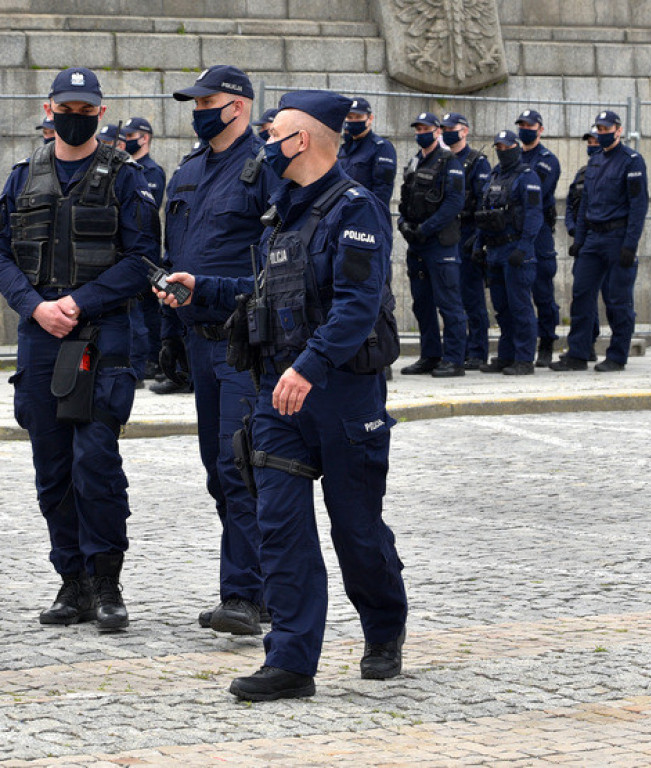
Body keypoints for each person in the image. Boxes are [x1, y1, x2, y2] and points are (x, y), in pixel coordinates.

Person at [157, 89, 407, 701]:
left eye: (276, 135)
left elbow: (356, 308)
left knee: (356, 530)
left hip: (341, 397)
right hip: (278, 397)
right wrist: (204, 288)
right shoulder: (282, 212)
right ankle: (292, 660)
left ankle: (383, 629)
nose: (267, 145)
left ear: (306, 141)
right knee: (280, 527)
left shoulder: (357, 209)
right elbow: (267, 288)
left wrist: (310, 366)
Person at [0, 67, 160, 631]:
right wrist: (36, 306)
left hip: (101, 334)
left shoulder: (126, 178)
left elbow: (144, 259)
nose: (74, 116)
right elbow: (1, 256)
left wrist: (80, 303)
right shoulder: (22, 177)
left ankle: (107, 582)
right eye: (65, 107)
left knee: (95, 461)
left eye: (85, 108)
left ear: (101, 111)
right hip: (40, 333)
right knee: (52, 466)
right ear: (49, 109)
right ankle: (72, 583)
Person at [162, 64, 279, 634]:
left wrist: (202, 290)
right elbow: (173, 255)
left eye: (205, 100)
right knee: (218, 469)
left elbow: (276, 270)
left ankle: (246, 594)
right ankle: (256, 586)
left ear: (237, 106)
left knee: (241, 467)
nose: (196, 109)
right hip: (196, 341)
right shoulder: (188, 170)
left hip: (244, 343)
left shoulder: (267, 169)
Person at [551, 109, 648, 373]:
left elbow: (638, 206)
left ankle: (617, 355)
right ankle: (578, 353)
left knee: (618, 299)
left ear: (618, 130)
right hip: (593, 238)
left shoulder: (632, 161)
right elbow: (584, 206)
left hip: (617, 238)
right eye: (599, 130)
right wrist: (580, 240)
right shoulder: (594, 163)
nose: (602, 134)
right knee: (581, 295)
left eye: (607, 130)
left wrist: (630, 244)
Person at [397, 111, 467, 377]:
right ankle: (430, 355)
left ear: (438, 131)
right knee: (422, 302)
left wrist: (426, 228)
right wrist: (404, 224)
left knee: (448, 303)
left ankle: (454, 359)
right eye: (418, 128)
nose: (421, 133)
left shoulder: (450, 162)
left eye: (426, 128)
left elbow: (453, 204)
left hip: (440, 243)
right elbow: (405, 198)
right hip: (417, 244)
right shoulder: (416, 161)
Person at [473, 130, 543, 375]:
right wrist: (477, 246)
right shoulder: (493, 176)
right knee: (502, 307)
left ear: (516, 147)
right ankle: (506, 355)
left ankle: (524, 358)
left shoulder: (527, 177)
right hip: (494, 249)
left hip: (515, 249)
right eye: (498, 147)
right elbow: (485, 213)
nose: (502, 151)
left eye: (507, 146)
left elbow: (535, 216)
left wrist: (524, 248)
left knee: (520, 306)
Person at [441, 111, 492, 369]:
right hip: (449, 233)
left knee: (472, 297)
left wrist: (478, 239)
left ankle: (478, 351)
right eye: (444, 127)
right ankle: (457, 349)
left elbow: (484, 202)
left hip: (469, 232)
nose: (448, 131)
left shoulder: (477, 162)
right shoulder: (443, 160)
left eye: (453, 127)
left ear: (465, 131)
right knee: (452, 297)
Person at [121, 117, 167, 383]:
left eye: (132, 135)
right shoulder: (129, 168)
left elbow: (144, 211)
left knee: (145, 309)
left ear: (145, 137)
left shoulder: (151, 171)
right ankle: (149, 359)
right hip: (132, 251)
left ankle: (150, 360)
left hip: (145, 252)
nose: (127, 140)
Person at [515, 109, 561, 366]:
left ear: (540, 129)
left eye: (530, 125)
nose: (525, 129)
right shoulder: (513, 156)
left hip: (539, 231)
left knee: (543, 291)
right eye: (522, 125)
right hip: (516, 232)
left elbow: (535, 196)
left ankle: (546, 342)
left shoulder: (547, 160)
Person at [565, 127, 606, 363]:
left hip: (606, 239)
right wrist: (574, 229)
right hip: (584, 240)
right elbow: (571, 205)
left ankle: (614, 350)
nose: (591, 145)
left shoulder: (611, 171)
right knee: (583, 293)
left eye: (595, 141)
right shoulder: (582, 173)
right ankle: (586, 343)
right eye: (589, 141)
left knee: (611, 296)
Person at [338, 97, 398, 209]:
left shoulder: (381, 147)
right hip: (343, 211)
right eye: (349, 117)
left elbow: (382, 191)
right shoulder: (344, 149)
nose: (353, 121)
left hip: (366, 214)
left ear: (370, 119)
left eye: (359, 117)